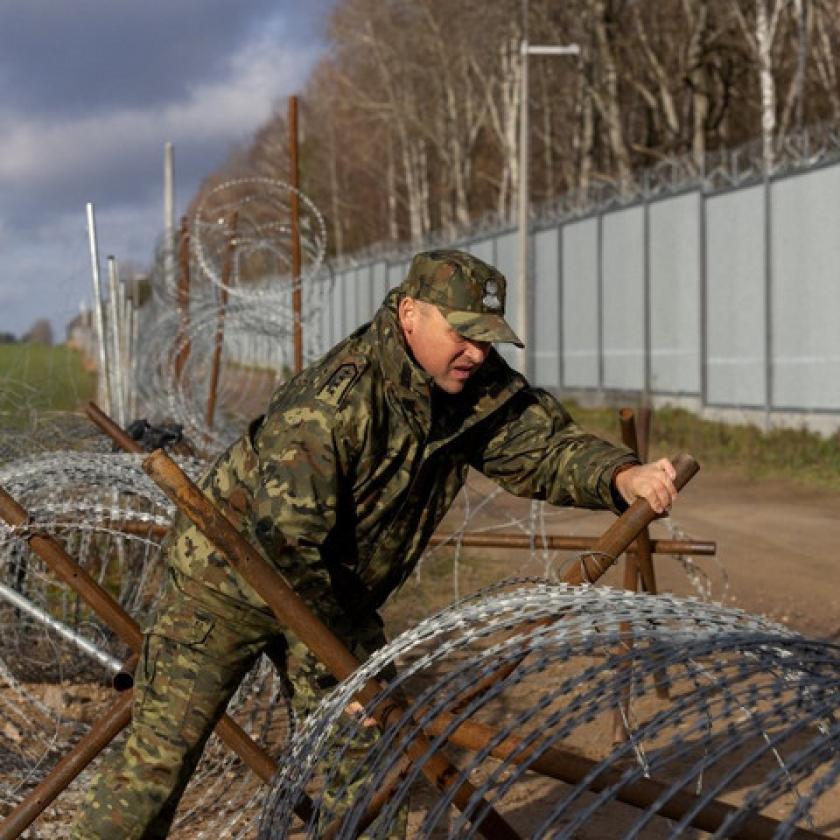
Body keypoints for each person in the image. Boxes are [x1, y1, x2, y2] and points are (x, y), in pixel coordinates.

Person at [72, 249, 677, 839]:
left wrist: (621, 476)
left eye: (488, 337)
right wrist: (348, 668)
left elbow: (540, 447)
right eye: (462, 333)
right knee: (157, 762)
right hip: (227, 583)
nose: (477, 351)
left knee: (367, 767)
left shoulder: (473, 384)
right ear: (409, 313)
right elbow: (284, 548)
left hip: (333, 590)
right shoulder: (332, 406)